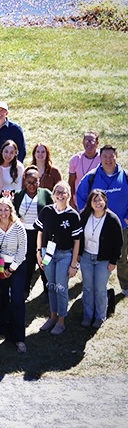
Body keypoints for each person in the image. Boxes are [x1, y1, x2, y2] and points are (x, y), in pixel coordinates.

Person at [35, 183, 82, 336]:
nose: (61, 195)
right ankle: (53, 316)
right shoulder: (47, 211)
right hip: (47, 253)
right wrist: (38, 252)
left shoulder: (73, 215)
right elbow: (40, 232)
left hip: (64, 255)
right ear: (53, 194)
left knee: (61, 287)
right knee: (51, 285)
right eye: (58, 192)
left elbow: (77, 241)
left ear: (69, 194)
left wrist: (74, 264)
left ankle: (61, 320)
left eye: (64, 192)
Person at [78, 189, 123, 329]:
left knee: (100, 289)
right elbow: (78, 236)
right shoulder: (84, 216)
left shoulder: (112, 219)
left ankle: (100, 316)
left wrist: (113, 261)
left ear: (105, 201)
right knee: (87, 288)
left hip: (103, 260)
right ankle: (88, 315)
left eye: (100, 200)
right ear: (90, 203)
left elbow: (118, 242)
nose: (98, 203)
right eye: (95, 200)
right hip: (86, 257)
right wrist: (78, 254)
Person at [0, 197, 29, 352]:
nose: (3, 213)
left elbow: (22, 251)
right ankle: (3, 328)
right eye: (0, 210)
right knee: (2, 297)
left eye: (6, 209)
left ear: (11, 210)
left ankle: (19, 338)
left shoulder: (18, 226)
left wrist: (11, 269)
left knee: (17, 299)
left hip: (17, 265)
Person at [13, 166, 52, 299]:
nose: (32, 185)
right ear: (24, 181)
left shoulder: (45, 194)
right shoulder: (18, 195)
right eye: (29, 182)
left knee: (44, 260)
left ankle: (47, 288)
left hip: (41, 233)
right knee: (28, 261)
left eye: (35, 182)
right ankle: (26, 288)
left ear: (39, 181)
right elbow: (13, 212)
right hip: (24, 233)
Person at [68, 131, 101, 208]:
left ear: (97, 143)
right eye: (86, 140)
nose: (89, 143)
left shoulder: (102, 158)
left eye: (92, 140)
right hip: (79, 201)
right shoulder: (75, 159)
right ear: (83, 142)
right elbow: (71, 182)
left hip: (98, 201)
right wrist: (71, 201)